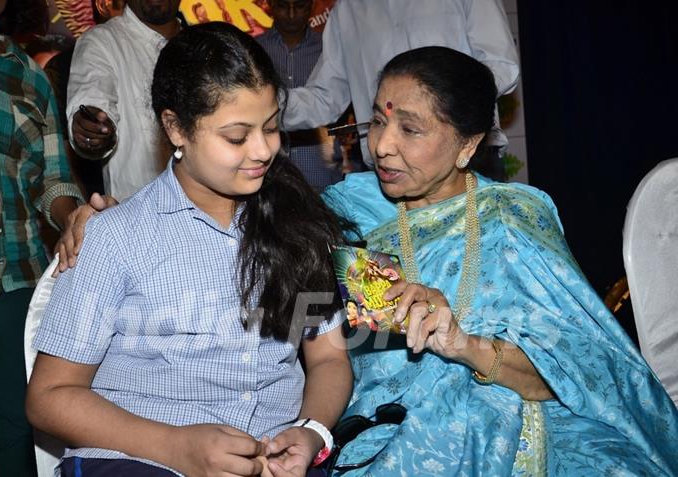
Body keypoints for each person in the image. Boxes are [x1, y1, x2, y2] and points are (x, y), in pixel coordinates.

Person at [320, 46, 678, 475]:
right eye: (378, 120)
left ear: (467, 145)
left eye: (410, 129)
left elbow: (580, 374)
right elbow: (370, 360)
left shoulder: (512, 219)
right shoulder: (353, 214)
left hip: (535, 419)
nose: (381, 146)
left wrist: (464, 345)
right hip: (397, 430)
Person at [26, 22, 352, 477]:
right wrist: (175, 447)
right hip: (141, 459)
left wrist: (311, 428)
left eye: (272, 128)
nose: (263, 151)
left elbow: (329, 356)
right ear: (176, 129)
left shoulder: (297, 225)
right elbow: (50, 396)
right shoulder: (118, 236)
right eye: (237, 137)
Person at [0, 0, 84, 475]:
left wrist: (74, 217)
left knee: (17, 432)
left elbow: (51, 179)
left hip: (21, 280)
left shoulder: (30, 76)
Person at [283, 0, 520, 179]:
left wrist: (442, 102)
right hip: (386, 173)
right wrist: (265, 105)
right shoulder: (347, 8)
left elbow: (502, 67)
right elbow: (325, 98)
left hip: (462, 161)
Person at [66, 0, 181, 201]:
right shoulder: (102, 41)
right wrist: (91, 130)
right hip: (142, 222)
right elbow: (93, 97)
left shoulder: (208, 44)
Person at [255, 0, 342, 191]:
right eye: (283, 5)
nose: (292, 14)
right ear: (270, 4)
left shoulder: (330, 52)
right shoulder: (254, 51)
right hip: (269, 179)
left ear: (312, 5)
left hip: (321, 172)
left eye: (300, 6)